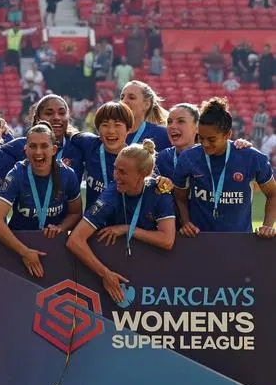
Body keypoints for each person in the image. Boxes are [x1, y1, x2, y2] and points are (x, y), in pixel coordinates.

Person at [67, 141, 176, 304]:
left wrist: (127, 229)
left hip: (154, 277)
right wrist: (105, 273)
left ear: (143, 173)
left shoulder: (159, 192)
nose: (115, 176)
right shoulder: (111, 194)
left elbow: (167, 240)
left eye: (122, 172)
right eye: (115, 168)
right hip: (117, 272)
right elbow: (74, 241)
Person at [0, 123, 83, 278]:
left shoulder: (67, 175)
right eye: (33, 146)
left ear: (54, 150)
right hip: (18, 249)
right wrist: (23, 252)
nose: (38, 152)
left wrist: (61, 227)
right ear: (26, 150)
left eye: (44, 146)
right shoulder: (17, 174)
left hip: (54, 249)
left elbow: (76, 213)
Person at [174, 98, 276, 237]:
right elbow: (180, 197)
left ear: (228, 134)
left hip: (239, 243)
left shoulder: (252, 158)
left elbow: (273, 193)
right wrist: (185, 222)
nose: (205, 144)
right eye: (201, 138)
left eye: (211, 139)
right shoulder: (188, 158)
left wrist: (267, 226)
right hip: (199, 240)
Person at [0, 95, 85, 177]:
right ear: (37, 119)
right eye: (49, 113)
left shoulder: (79, 147)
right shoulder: (19, 146)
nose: (56, 117)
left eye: (62, 113)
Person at [119, 80, 171, 151]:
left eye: (131, 97)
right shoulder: (110, 133)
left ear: (146, 105)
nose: (123, 101)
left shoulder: (162, 135)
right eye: (122, 97)